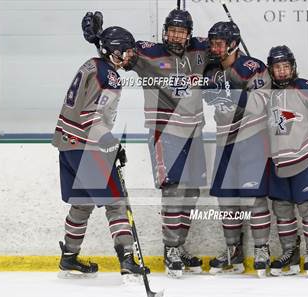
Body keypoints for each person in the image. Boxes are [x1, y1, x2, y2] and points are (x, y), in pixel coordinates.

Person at [81, 9, 209, 278]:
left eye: (181, 31)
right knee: (173, 191)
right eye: (171, 30)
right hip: (165, 131)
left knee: (192, 192)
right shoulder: (148, 53)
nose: (175, 35)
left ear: (188, 33)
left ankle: (179, 245)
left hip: (194, 131)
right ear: (164, 31)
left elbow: (224, 49)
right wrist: (99, 36)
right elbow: (121, 46)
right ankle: (171, 248)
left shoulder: (201, 50)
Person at [52, 26, 150, 281]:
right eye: (126, 51)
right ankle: (127, 259)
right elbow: (92, 118)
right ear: (114, 52)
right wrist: (111, 144)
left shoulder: (91, 64)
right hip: (87, 146)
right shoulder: (111, 77)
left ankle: (69, 257)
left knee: (81, 204)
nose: (130, 56)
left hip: (67, 145)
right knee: (116, 203)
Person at [202, 22, 272, 277]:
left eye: (219, 43)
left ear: (233, 44)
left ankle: (262, 250)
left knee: (255, 197)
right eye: (212, 43)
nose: (214, 48)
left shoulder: (251, 67)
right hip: (224, 140)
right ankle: (234, 252)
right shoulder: (210, 70)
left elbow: (265, 99)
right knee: (226, 198)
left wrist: (237, 96)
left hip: (252, 138)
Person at [265, 45, 308, 278]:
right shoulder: (265, 92)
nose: (282, 72)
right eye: (277, 68)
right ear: (271, 70)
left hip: (305, 156)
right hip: (278, 160)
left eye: (286, 66)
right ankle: (290, 252)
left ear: (293, 67)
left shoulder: (306, 88)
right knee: (281, 209)